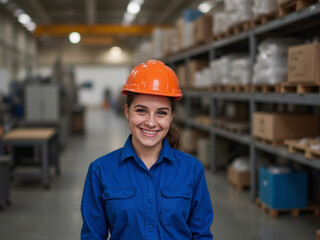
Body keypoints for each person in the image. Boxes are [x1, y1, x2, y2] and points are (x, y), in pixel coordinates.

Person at [81, 60, 213, 240]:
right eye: (141, 111)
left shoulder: (192, 170)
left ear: (171, 116)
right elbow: (93, 236)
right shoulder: (101, 170)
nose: (151, 122)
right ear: (127, 112)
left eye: (161, 113)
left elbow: (201, 235)